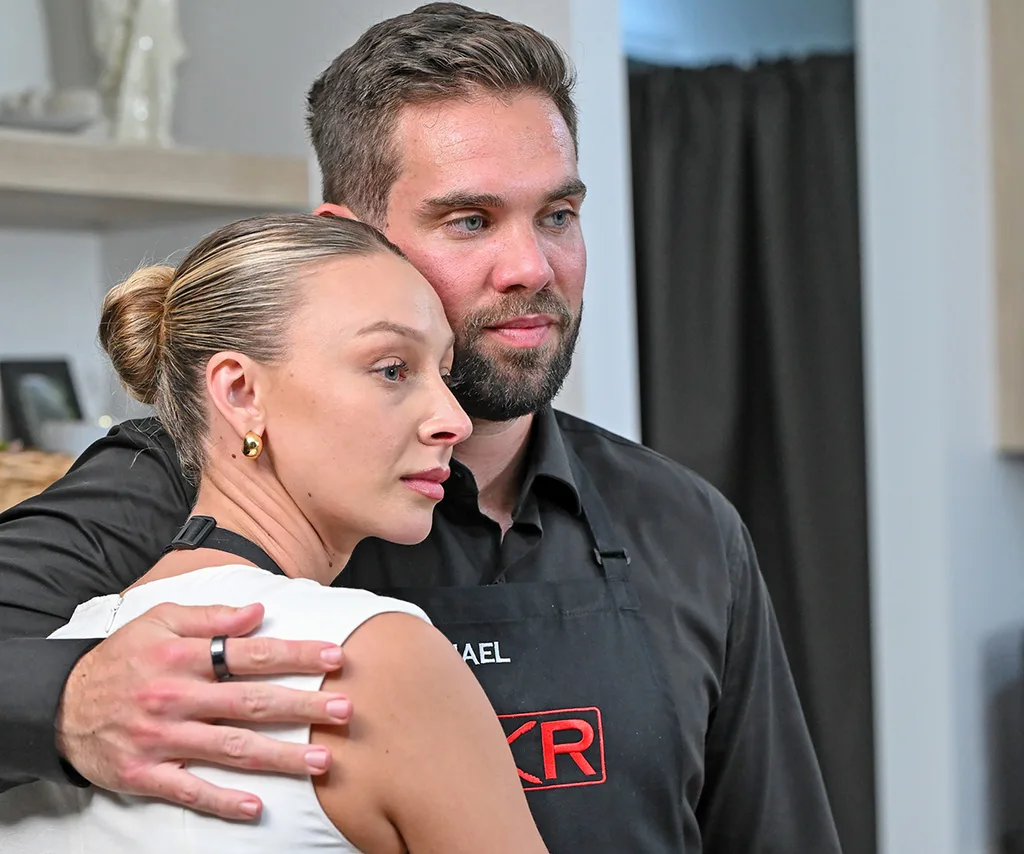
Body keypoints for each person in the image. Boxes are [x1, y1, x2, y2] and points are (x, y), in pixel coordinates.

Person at [0, 3, 842, 851]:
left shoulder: (684, 526)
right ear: (347, 242)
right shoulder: (178, 484)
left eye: (557, 215)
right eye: (470, 221)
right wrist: (69, 701)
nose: (531, 268)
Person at [0, 213, 550, 853]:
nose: (455, 419)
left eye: (445, 373)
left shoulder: (74, 646)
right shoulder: (374, 656)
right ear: (240, 393)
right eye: (392, 369)